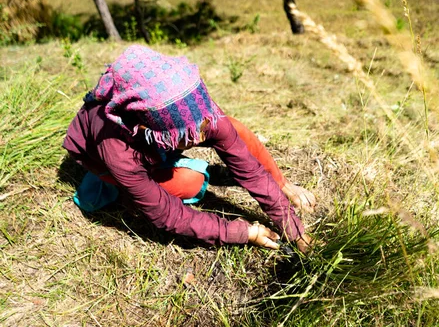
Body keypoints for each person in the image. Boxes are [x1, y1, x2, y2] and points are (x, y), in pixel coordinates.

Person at [63, 45, 315, 252]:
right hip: (105, 159)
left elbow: (250, 169)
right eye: (191, 134)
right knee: (189, 183)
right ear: (152, 129)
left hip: (155, 143)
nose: (203, 135)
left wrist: (292, 226)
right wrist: (243, 232)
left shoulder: (193, 106)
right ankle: (117, 188)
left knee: (232, 129)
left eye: (203, 126)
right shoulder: (117, 148)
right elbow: (168, 216)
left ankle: (159, 166)